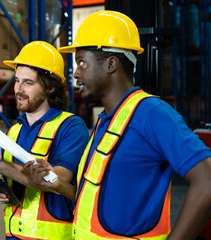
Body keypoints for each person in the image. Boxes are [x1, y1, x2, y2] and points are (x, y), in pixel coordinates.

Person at [23, 10, 211, 240]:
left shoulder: (151, 113)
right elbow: (94, 201)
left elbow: (207, 180)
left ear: (111, 63)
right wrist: (54, 182)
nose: (76, 74)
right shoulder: (106, 123)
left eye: (82, 62)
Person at [0, 41, 89, 239]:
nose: (18, 89)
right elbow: (16, 186)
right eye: (17, 80)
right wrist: (0, 192)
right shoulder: (13, 132)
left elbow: (58, 180)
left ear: (51, 87)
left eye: (28, 82)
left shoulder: (71, 126)